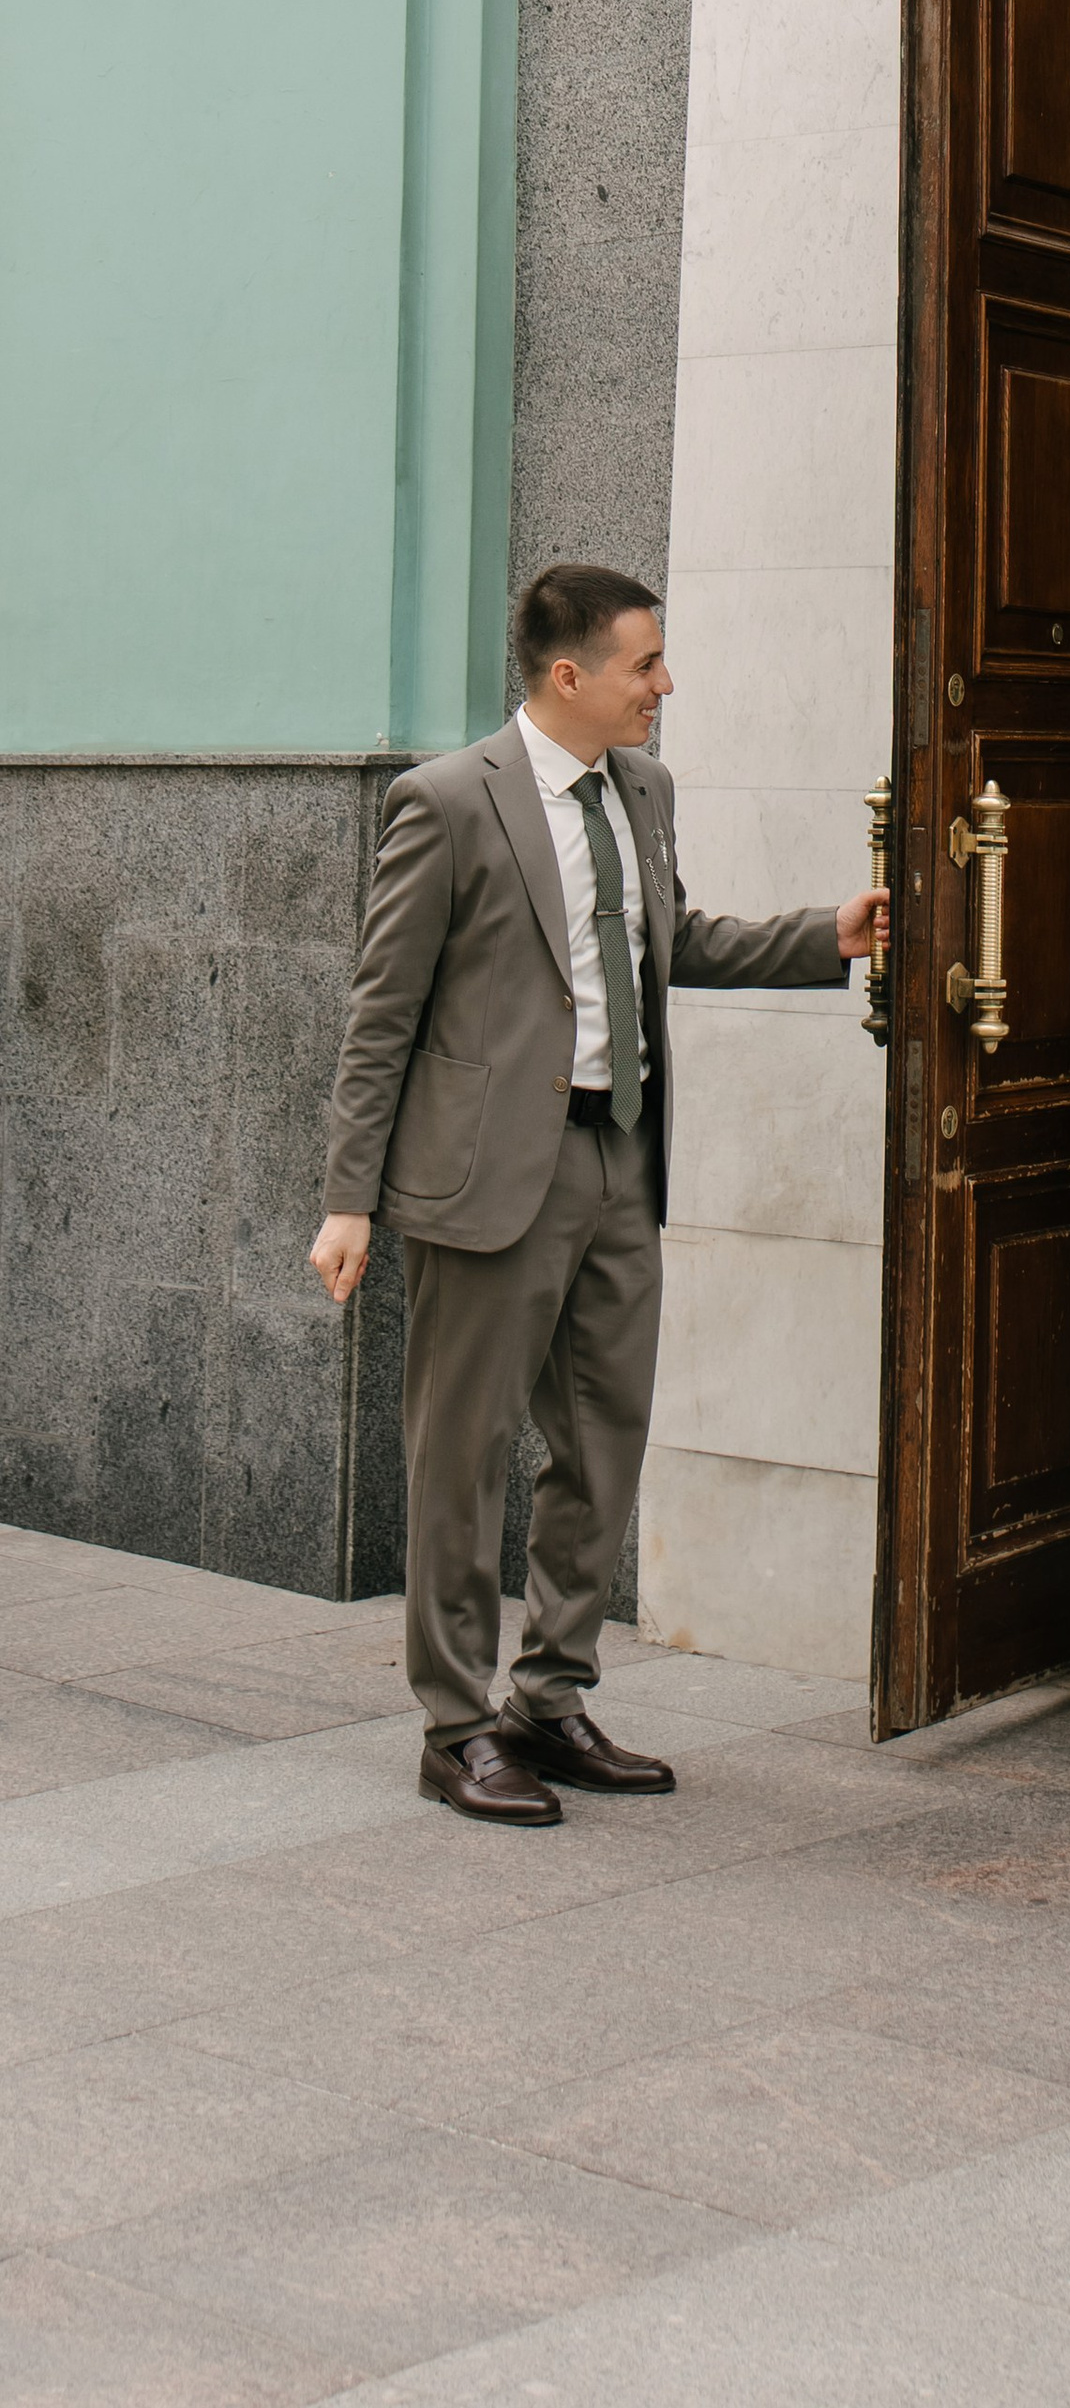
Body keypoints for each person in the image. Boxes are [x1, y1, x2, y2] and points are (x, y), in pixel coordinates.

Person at [308, 562, 889, 1826]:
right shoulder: (448, 802)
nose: (664, 687)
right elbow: (381, 1014)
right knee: (459, 1458)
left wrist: (826, 935)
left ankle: (551, 1697)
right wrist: (350, 1197)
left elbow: (674, 941)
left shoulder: (646, 790)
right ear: (567, 675)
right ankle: (457, 1725)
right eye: (646, 665)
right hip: (484, 1179)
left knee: (602, 1444)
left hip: (622, 1158)